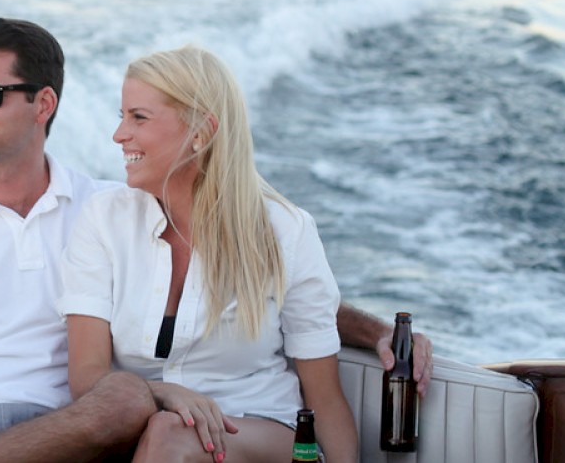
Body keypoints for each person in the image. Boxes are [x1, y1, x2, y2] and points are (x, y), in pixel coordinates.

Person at [0, 18, 435, 462]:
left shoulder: (271, 228)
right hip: (90, 432)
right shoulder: (103, 218)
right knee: (150, 417)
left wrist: (377, 330)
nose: (118, 134)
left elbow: (315, 357)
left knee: (150, 421)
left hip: (200, 432)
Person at [61, 45, 356, 462]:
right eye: (121, 116)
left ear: (200, 133)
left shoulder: (286, 231)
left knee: (169, 435)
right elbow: (86, 377)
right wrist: (162, 392)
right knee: (164, 429)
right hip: (142, 435)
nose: (119, 134)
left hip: (260, 434)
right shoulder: (104, 221)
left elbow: (324, 396)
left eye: (138, 118)